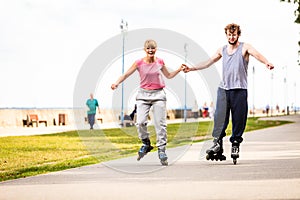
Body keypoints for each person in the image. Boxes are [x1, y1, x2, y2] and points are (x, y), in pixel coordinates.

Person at [183, 23, 274, 164]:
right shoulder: (222, 50)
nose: (232, 37)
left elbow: (257, 54)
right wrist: (192, 68)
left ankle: (235, 143)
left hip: (239, 90)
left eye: (234, 34)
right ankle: (217, 143)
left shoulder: (245, 47)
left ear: (238, 34)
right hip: (224, 90)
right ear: (226, 35)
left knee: (239, 119)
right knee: (219, 117)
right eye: (229, 34)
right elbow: (208, 62)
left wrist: (266, 62)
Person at [111, 39, 185, 165]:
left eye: (153, 48)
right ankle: (146, 143)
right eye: (148, 48)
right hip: (143, 95)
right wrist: (116, 83)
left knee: (160, 123)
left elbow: (169, 75)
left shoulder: (160, 61)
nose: (151, 50)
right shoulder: (139, 63)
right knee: (140, 122)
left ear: (156, 49)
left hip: (158, 95)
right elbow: (126, 74)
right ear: (145, 50)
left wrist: (179, 69)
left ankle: (162, 149)